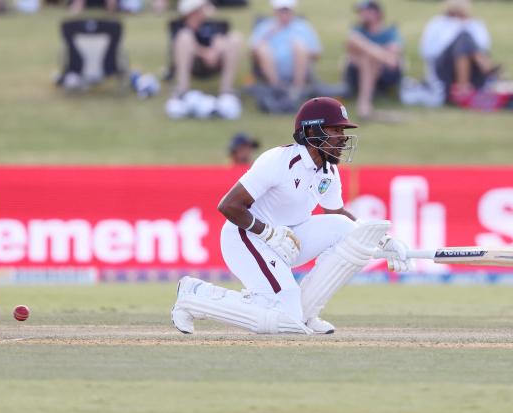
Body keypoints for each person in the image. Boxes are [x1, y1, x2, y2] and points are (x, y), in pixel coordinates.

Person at [171, 97, 412, 335]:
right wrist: (268, 232)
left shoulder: (328, 171)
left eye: (343, 130)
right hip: (247, 237)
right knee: (285, 319)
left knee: (342, 228)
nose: (343, 138)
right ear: (312, 131)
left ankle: (306, 314)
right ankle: (194, 296)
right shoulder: (279, 161)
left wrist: (382, 240)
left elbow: (338, 215)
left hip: (289, 239)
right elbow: (229, 206)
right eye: (335, 129)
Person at [419, 0, 500, 105]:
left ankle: (464, 87)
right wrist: (456, 28)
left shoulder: (475, 24)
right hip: (445, 69)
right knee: (463, 37)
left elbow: (484, 47)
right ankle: (485, 69)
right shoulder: (437, 23)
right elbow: (428, 51)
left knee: (465, 38)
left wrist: (466, 26)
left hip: (473, 69)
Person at [169, 0, 242, 113]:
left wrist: (215, 51)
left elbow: (221, 40)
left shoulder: (213, 24)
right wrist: (204, 53)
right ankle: (182, 90)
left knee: (235, 38)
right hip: (193, 62)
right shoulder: (179, 26)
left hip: (215, 61)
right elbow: (182, 45)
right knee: (184, 37)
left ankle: (226, 91)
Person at [249, 0, 321, 104]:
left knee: (299, 46)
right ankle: (277, 88)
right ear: (275, 11)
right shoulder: (265, 27)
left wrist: (301, 51)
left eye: (286, 10)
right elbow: (253, 52)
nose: (284, 14)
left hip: (297, 69)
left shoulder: (303, 27)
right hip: (271, 69)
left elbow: (316, 53)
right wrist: (267, 35)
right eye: (281, 11)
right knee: (263, 48)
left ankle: (297, 90)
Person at [345, 0, 403, 120]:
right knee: (364, 53)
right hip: (359, 70)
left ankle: (364, 104)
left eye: (364, 11)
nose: (361, 14)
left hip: (385, 73)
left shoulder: (390, 32)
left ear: (376, 13)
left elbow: (395, 51)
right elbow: (351, 45)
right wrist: (380, 53)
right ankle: (364, 105)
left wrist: (370, 53)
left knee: (368, 57)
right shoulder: (357, 31)